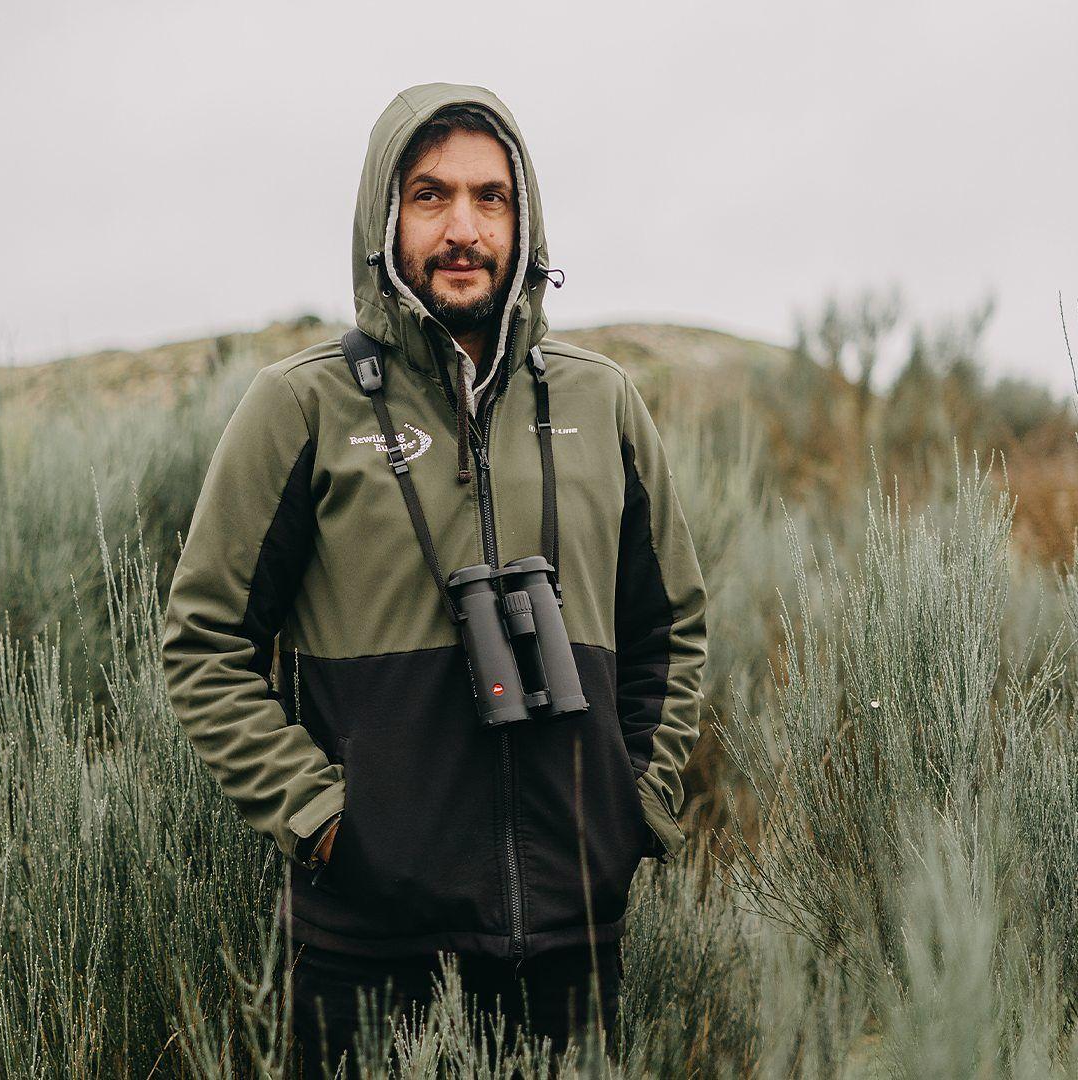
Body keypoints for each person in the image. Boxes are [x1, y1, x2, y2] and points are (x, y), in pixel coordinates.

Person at [160, 82, 707, 1077]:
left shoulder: (603, 401)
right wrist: (322, 822)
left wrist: (636, 808)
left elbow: (670, 629)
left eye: (490, 198)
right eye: (430, 196)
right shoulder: (301, 406)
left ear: (523, 217)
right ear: (385, 218)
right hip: (365, 945)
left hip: (570, 936)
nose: (464, 228)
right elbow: (204, 646)